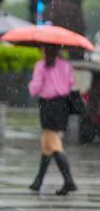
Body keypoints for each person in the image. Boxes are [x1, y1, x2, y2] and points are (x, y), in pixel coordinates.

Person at [28, 44, 77, 195]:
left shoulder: (41, 66)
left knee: (53, 143)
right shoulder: (66, 65)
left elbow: (34, 89)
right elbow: (70, 84)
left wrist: (32, 84)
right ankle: (38, 180)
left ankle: (69, 181)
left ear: (45, 50)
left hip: (49, 105)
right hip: (62, 104)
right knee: (47, 143)